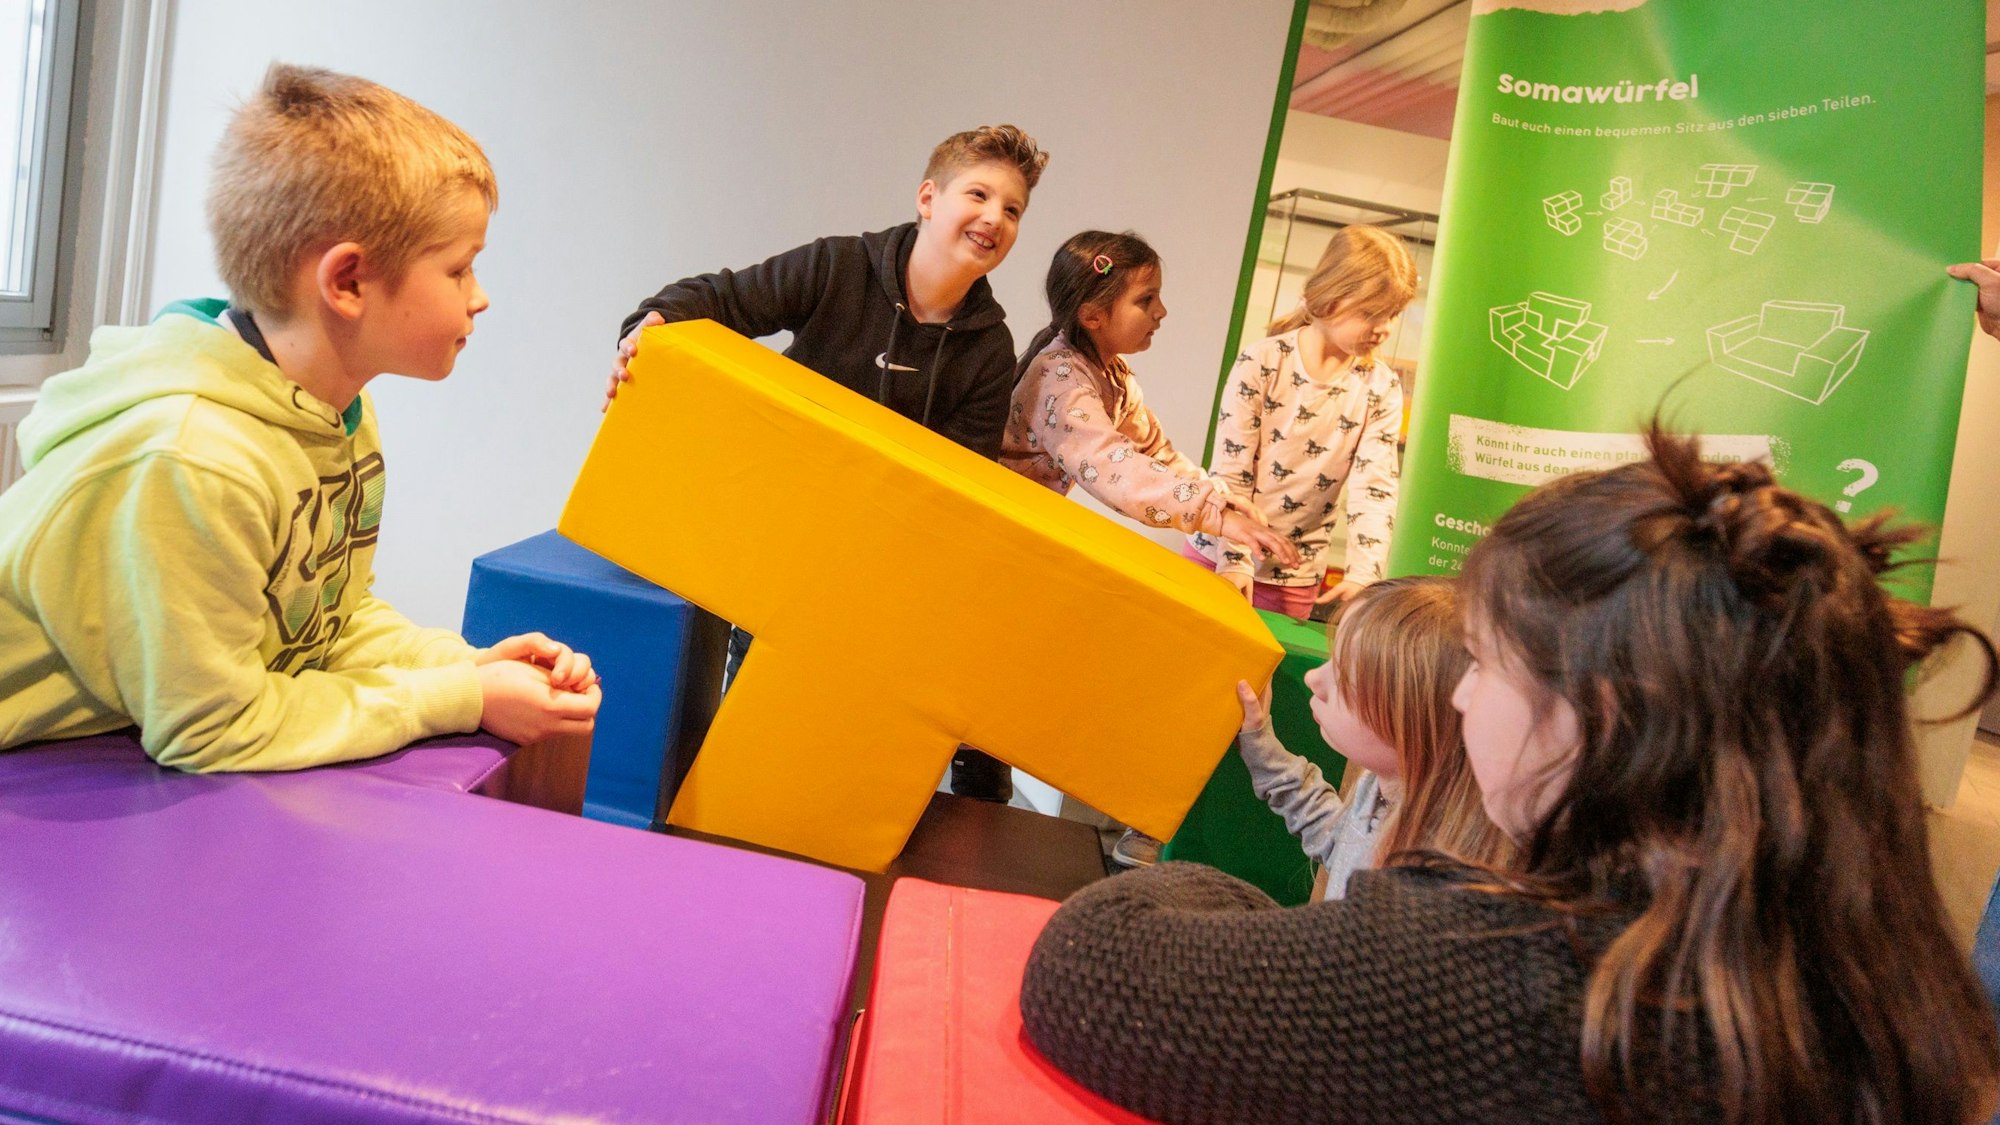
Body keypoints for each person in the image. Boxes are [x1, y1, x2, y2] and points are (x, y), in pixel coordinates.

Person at [1020, 426, 2000, 1123]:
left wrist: (1288, 926)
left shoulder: (1514, 977)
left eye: (1484, 664)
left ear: (1599, 716)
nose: (1457, 700)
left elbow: (1083, 970)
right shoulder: (1877, 986)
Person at [0, 64, 599, 768]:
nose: (480, 296)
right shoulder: (194, 461)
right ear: (348, 282)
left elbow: (322, 625)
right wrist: (458, 697)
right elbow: (213, 727)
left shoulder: (337, 411)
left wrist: (463, 664)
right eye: (459, 268)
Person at [606, 125, 1048, 802]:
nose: (994, 217)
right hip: (778, 538)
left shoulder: (990, 351)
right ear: (929, 198)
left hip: (874, 568)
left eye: (1012, 209)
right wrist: (653, 324)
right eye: (979, 194)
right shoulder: (840, 267)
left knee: (824, 759)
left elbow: (959, 485)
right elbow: (720, 299)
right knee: (744, 728)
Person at [1000, 229, 1295, 865]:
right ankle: (1106, 830)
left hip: (1025, 550)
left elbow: (1161, 459)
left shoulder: (1110, 375)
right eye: (1148, 300)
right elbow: (1109, 467)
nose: (1161, 313)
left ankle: (1117, 824)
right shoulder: (1060, 374)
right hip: (1000, 558)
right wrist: (1214, 514)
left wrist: (1227, 524)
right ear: (1094, 315)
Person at [1186, 226, 1414, 618]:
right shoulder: (1262, 362)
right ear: (1329, 299)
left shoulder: (1380, 387)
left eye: (1393, 314)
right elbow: (1232, 471)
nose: (1385, 328)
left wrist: (1364, 575)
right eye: (1371, 313)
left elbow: (1373, 489)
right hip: (1218, 556)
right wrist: (1236, 560)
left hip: (1292, 577)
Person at [1235, 575, 1508, 902]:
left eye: (1345, 677)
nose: (1313, 679)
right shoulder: (1379, 789)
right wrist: (1260, 744)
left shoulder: (1430, 881)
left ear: (1415, 721)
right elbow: (1337, 838)